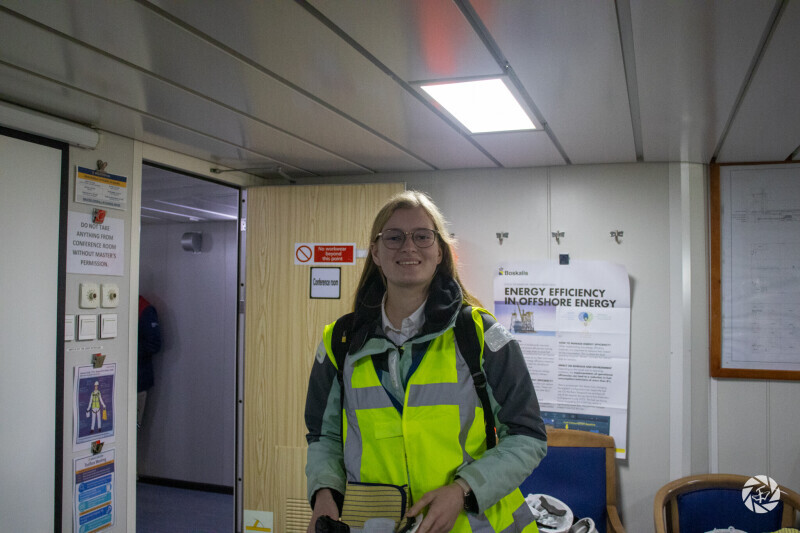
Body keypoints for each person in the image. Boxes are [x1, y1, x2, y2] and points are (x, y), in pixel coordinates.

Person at [304, 191, 547, 533]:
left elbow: (527, 435)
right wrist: (324, 493)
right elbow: (324, 435)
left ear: (439, 251)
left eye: (422, 236)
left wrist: (463, 490)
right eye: (394, 237)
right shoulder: (341, 341)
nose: (408, 247)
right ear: (375, 252)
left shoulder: (480, 335)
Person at [138, 295, 162, 429]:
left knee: (131, 429)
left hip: (139, 382)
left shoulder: (144, 309)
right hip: (121, 381)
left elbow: (154, 344)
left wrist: (126, 351)